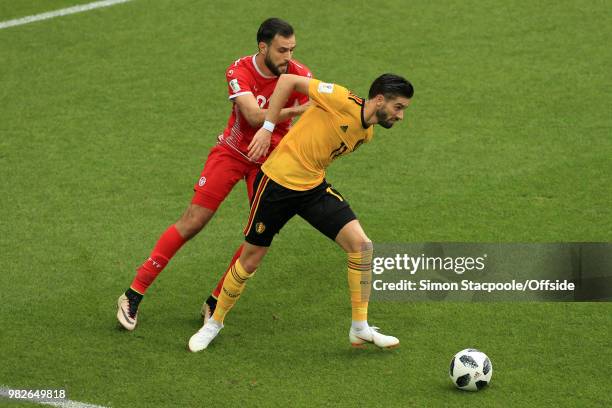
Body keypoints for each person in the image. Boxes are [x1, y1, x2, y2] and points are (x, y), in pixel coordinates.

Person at [188, 72, 414, 351]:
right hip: (276, 186)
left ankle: (360, 328)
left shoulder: (366, 133)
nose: (401, 116)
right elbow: (287, 82)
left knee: (362, 247)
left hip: (312, 189)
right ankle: (214, 323)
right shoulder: (341, 98)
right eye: (398, 107)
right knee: (250, 259)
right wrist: (268, 127)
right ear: (380, 100)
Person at [117, 18, 312, 331]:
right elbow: (250, 115)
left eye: (292, 49)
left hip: (270, 163)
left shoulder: (299, 73)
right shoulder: (239, 70)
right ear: (263, 47)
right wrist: (289, 113)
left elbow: (316, 107)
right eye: (281, 50)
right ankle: (133, 293)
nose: (288, 57)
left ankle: (216, 301)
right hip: (232, 153)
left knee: (260, 237)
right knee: (194, 220)